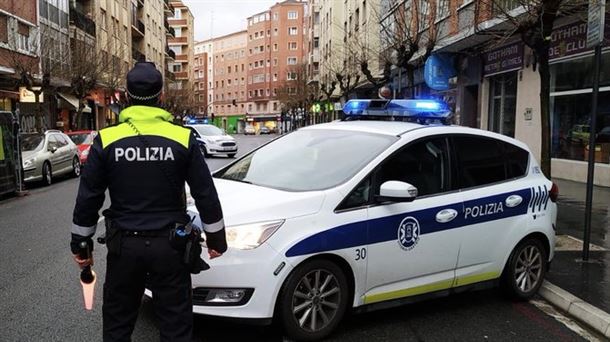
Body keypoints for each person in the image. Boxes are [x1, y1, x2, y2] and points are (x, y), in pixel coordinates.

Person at [70, 62, 227, 342]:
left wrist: (81, 244)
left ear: (126, 96)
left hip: (124, 248)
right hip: (171, 248)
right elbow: (205, 193)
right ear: (161, 97)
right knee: (175, 327)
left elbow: (88, 198)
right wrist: (216, 240)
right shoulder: (182, 137)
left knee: (118, 325)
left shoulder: (106, 139)